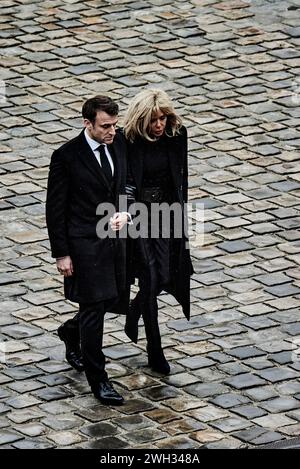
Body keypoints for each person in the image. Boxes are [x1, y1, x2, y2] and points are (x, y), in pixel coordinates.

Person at [46, 95, 130, 405]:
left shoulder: (118, 142)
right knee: (94, 309)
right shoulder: (66, 157)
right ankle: (100, 380)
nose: (112, 131)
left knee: (112, 299)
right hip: (84, 245)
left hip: (116, 242)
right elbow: (55, 210)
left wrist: (126, 209)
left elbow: (127, 182)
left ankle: (71, 332)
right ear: (87, 124)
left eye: (114, 125)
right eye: (105, 126)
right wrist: (62, 253)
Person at [123, 89, 193, 375]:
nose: (159, 124)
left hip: (166, 214)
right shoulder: (127, 141)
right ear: (142, 120)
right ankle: (155, 348)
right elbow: (123, 184)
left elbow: (181, 178)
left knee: (165, 276)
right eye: (153, 119)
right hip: (137, 216)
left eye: (163, 117)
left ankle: (132, 312)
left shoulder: (177, 135)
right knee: (148, 278)